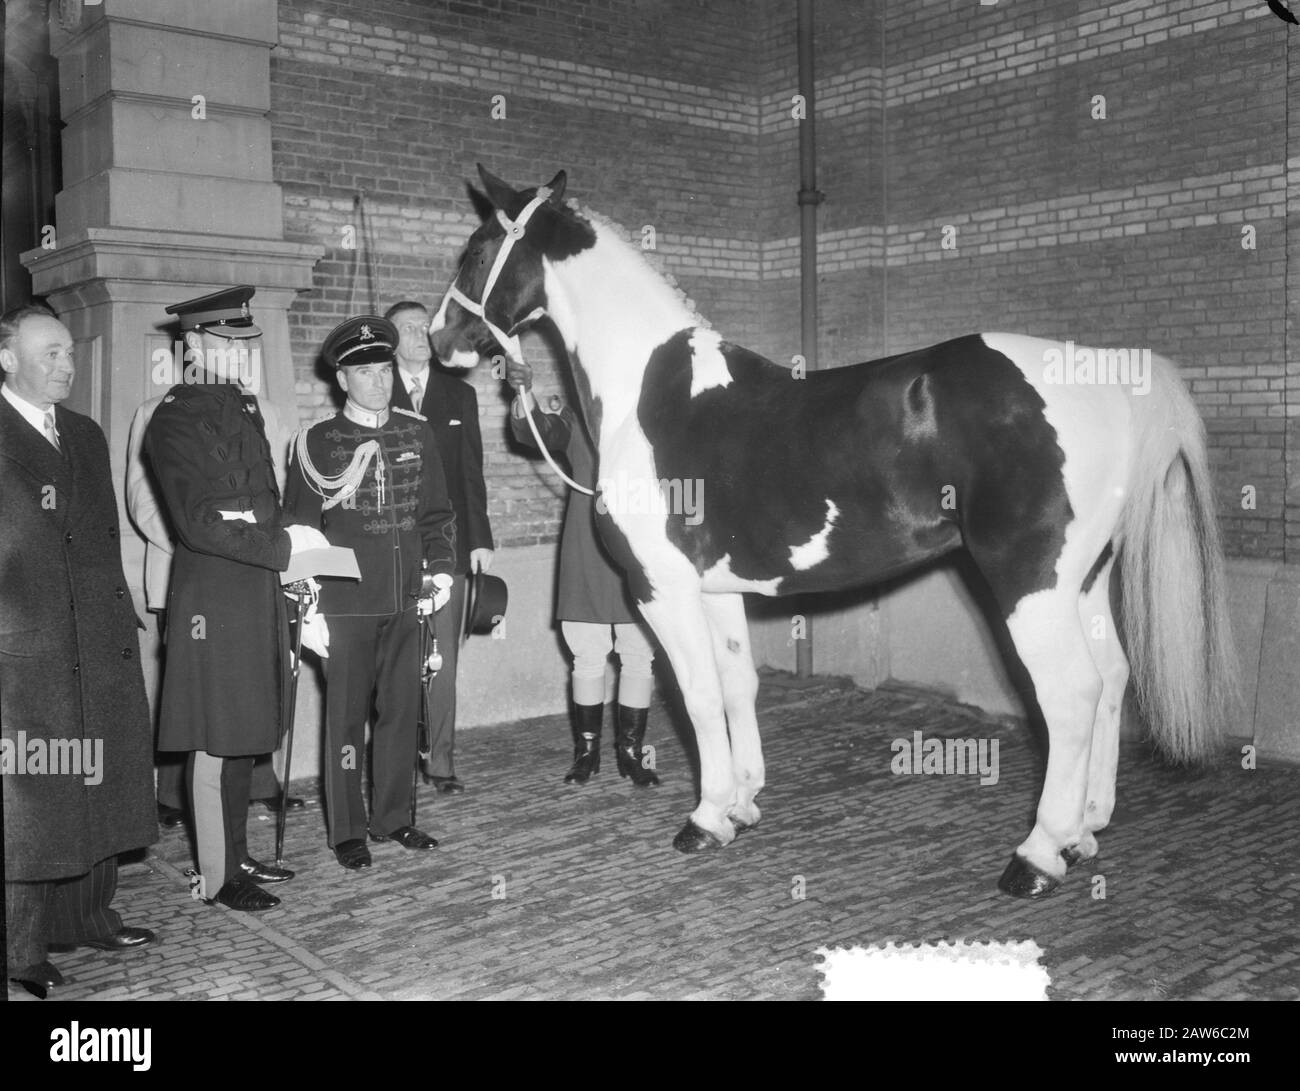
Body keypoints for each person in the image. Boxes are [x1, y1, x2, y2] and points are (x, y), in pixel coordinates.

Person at [144, 286, 329, 912]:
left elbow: (263, 502)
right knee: (213, 738)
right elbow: (198, 522)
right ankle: (218, 876)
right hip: (213, 599)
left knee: (246, 733)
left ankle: (238, 853)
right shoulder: (172, 417)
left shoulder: (242, 407)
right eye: (230, 342)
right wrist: (280, 549)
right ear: (193, 346)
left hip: (254, 588)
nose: (244, 352)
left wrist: (289, 561)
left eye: (249, 341)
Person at [1, 303, 158, 994]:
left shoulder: (87, 435)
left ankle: (90, 914)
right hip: (24, 647)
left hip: (94, 639)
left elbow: (99, 541)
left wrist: (121, 612)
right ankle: (20, 948)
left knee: (94, 781)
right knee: (32, 802)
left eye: (69, 351)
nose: (66, 363)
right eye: (49, 352)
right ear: (7, 358)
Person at [283, 315, 458, 871]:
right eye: (365, 372)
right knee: (346, 719)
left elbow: (436, 515)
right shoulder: (317, 442)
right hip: (346, 605)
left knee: (402, 712)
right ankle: (347, 832)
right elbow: (299, 532)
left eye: (384, 370)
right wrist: (307, 608)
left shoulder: (416, 431)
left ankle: (393, 818)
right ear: (342, 378)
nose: (379, 382)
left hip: (407, 600)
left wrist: (442, 574)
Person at [126, 393, 304, 828]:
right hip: (196, 574)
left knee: (250, 693)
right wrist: (204, 549)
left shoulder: (260, 407)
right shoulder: (158, 410)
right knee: (201, 701)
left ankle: (258, 789)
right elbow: (143, 499)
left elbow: (273, 485)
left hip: (256, 566)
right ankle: (175, 799)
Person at [504, 358, 659, 788]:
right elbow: (534, 432)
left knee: (638, 656)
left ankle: (631, 753)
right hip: (587, 549)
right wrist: (524, 394)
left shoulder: (649, 420)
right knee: (587, 656)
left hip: (634, 549)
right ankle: (586, 753)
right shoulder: (574, 419)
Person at [387, 300, 493, 793]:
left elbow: (472, 472)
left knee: (442, 658)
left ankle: (442, 764)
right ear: (390, 340)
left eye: (421, 326)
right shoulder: (374, 391)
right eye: (404, 327)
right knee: (394, 656)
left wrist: (481, 539)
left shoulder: (458, 395)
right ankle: (395, 756)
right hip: (387, 548)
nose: (415, 333)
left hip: (447, 546)